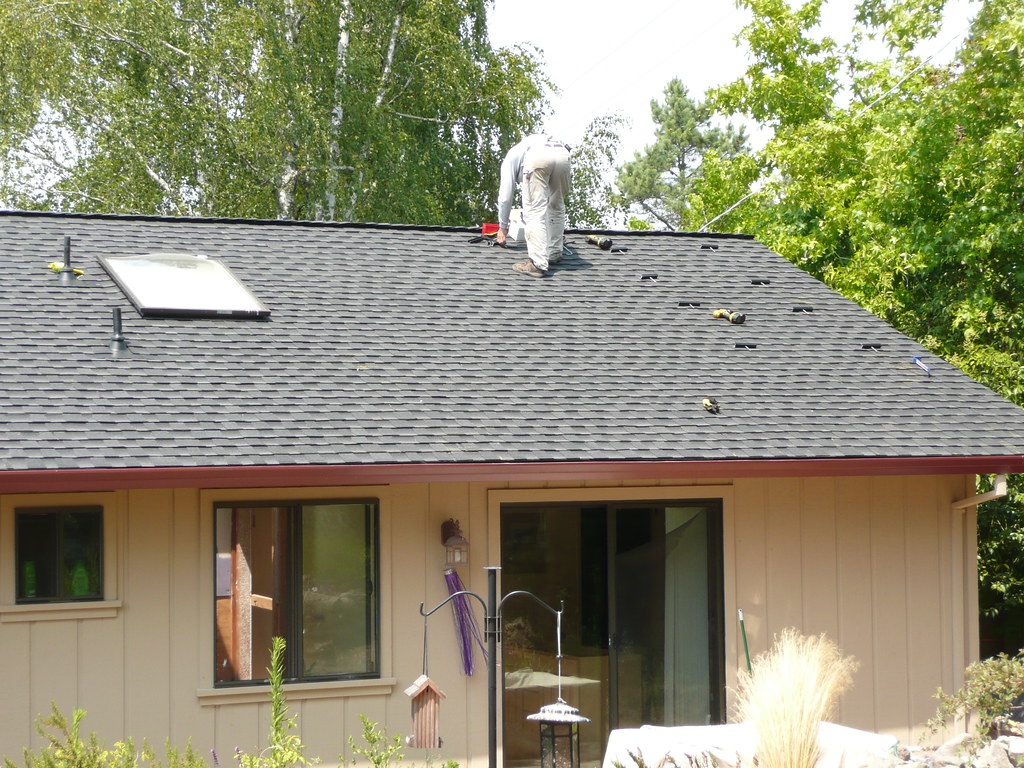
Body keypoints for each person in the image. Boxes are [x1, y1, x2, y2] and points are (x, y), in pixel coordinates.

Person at [496, 134, 572, 277]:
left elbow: (505, 197)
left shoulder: (510, 159)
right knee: (557, 204)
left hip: (538, 157)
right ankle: (554, 253)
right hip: (563, 153)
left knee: (534, 210)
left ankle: (538, 264)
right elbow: (564, 192)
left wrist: (503, 227)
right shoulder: (535, 142)